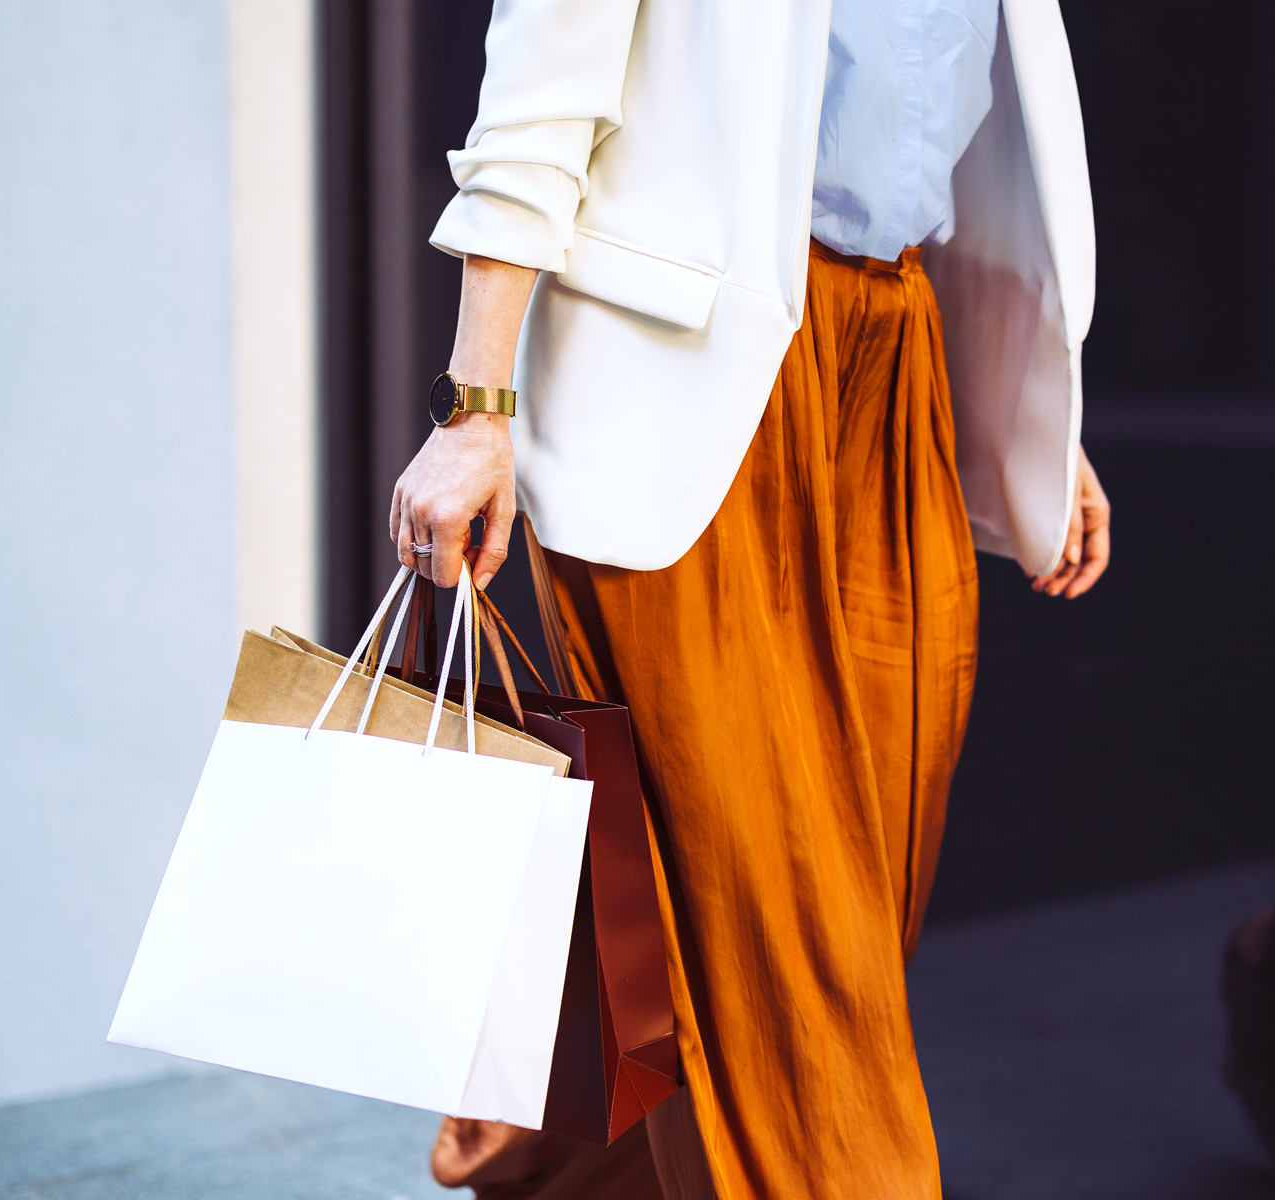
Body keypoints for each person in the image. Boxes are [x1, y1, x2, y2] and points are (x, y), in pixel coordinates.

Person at [390, 0, 1112, 1195]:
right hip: (679, 383)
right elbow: (537, 97)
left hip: (899, 357)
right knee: (793, 964)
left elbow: (947, 137)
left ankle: (561, 1157)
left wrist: (1037, 409)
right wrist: (475, 409)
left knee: (848, 908)